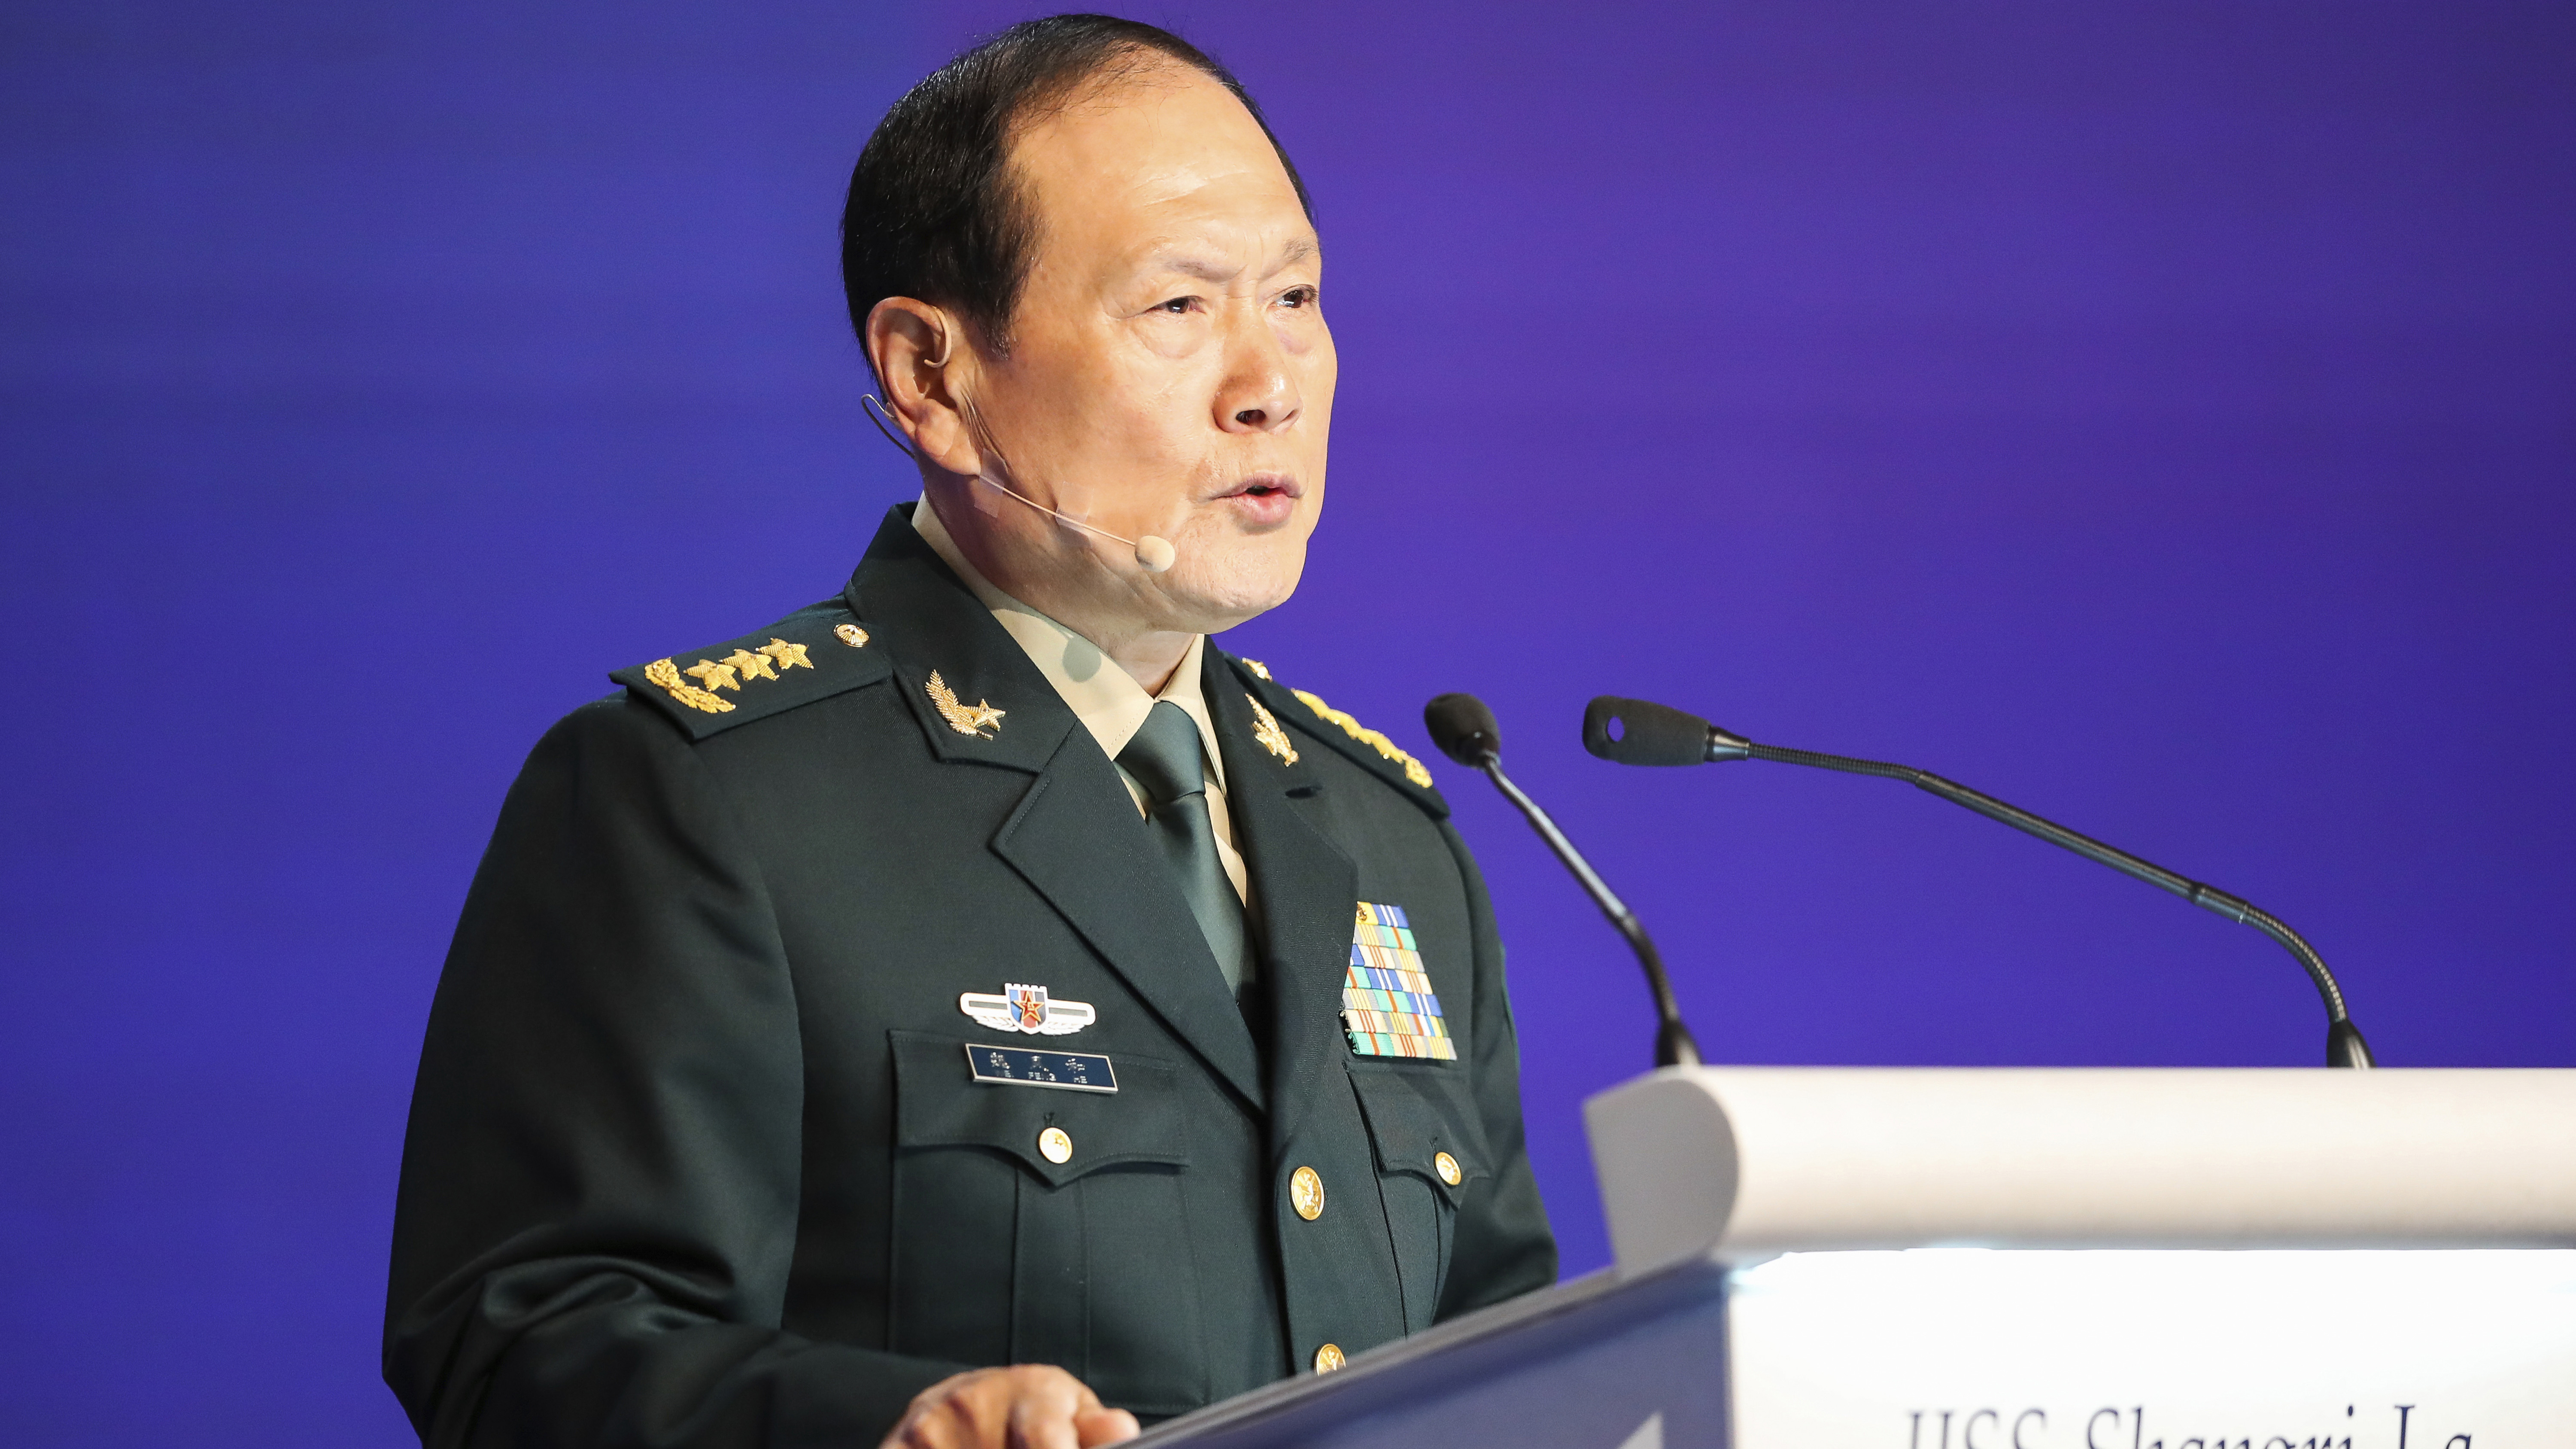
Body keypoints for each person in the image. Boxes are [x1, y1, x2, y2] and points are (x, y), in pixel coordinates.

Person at [383, 15, 1556, 1449]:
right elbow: (521, 1343)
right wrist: (897, 1426)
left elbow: (1516, 1364)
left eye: (1298, 296)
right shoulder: (706, 800)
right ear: (932, 377)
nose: (1274, 382)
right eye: (1180, 308)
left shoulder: (1393, 841)